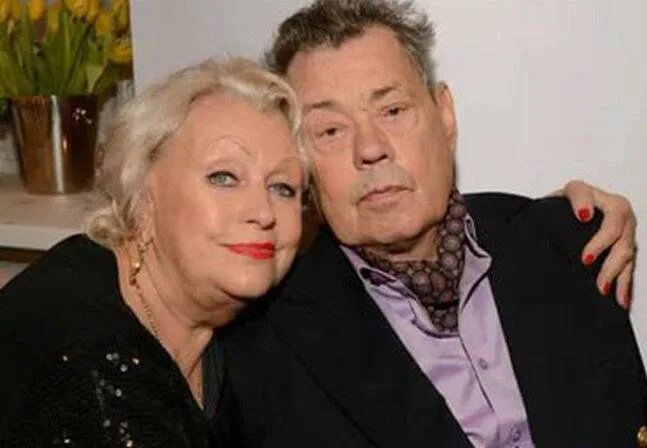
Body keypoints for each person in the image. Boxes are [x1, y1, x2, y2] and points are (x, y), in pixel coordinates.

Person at [214, 1, 647, 446]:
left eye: (392, 111)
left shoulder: (572, 243)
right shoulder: (258, 348)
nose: (370, 148)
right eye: (330, 130)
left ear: (445, 114)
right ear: (300, 163)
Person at [0, 58, 307, 446]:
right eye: (224, 177)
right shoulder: (90, 365)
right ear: (143, 194)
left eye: (282, 188)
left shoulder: (235, 317)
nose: (263, 213)